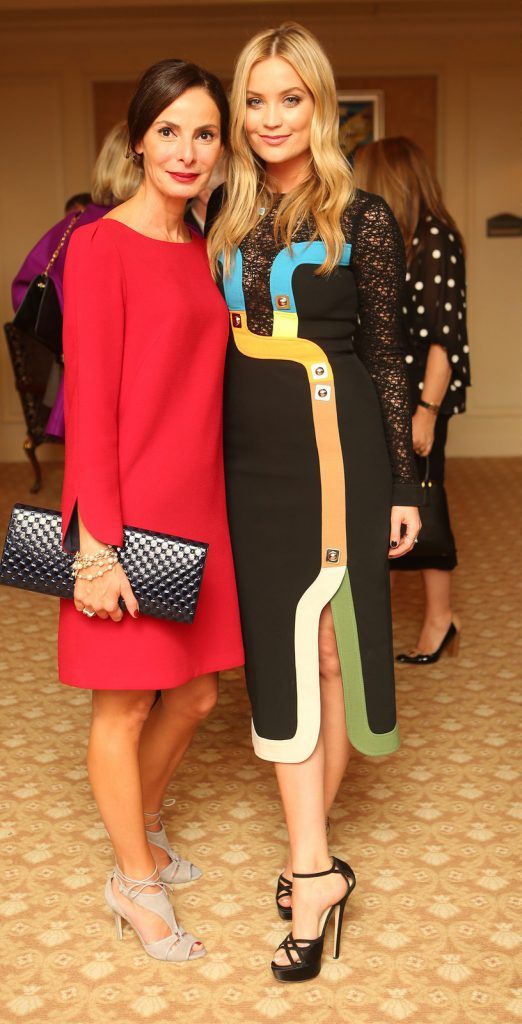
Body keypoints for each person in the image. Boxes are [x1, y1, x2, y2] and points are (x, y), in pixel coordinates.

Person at [206, 22, 422, 981]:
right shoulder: (218, 209)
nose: (270, 119)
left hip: (341, 454)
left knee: (332, 652)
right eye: (254, 100)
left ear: (321, 104)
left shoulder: (362, 217)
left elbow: (388, 359)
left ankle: (309, 864)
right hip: (248, 460)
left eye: (289, 99)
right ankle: (317, 859)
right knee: (283, 653)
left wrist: (407, 484)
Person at [60, 59, 243, 963]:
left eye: (204, 132)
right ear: (137, 138)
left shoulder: (207, 243)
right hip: (125, 510)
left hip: (198, 503)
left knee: (200, 694)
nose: (187, 149)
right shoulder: (98, 244)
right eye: (168, 129)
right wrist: (97, 548)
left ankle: (143, 825)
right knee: (125, 705)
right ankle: (133, 880)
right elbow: (90, 401)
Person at [354, 137, 470, 663]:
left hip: (420, 395)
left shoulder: (435, 239)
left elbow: (446, 338)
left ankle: (440, 619)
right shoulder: (391, 237)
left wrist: (425, 411)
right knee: (393, 500)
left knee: (425, 499)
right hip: (387, 390)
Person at [12, 122, 142, 439]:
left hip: (83, 376)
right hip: (136, 380)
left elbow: (24, 291)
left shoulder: (73, 224)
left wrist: (68, 340)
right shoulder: (143, 227)